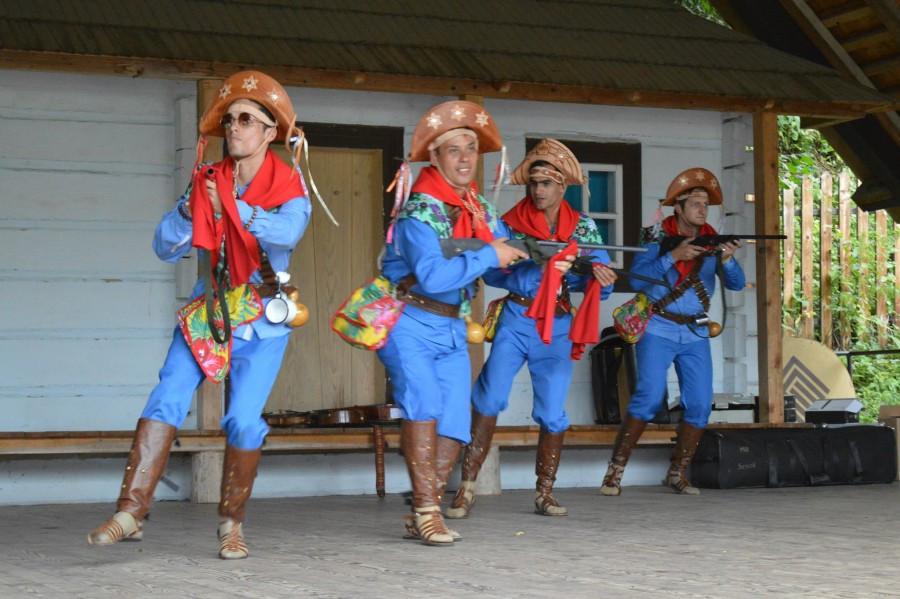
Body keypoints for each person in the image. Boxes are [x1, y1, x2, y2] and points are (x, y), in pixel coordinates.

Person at [87, 70, 312, 559]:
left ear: (271, 132)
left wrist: (232, 206)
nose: (234, 127)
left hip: (263, 316)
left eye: (247, 119)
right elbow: (164, 248)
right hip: (209, 307)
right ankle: (131, 512)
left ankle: (231, 522)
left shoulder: (291, 186)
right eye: (230, 119)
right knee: (168, 392)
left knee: (243, 421)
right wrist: (190, 213)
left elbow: (284, 236)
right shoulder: (206, 181)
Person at [376, 101, 528, 546]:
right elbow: (436, 275)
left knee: (457, 420)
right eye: (454, 149)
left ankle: (426, 508)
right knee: (422, 403)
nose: (465, 159)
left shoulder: (478, 208)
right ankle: (426, 511)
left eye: (472, 149)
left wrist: (546, 258)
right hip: (409, 321)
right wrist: (490, 253)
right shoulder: (417, 212)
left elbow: (500, 269)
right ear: (436, 157)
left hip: (451, 326)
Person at [445, 139, 617, 519]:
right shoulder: (509, 221)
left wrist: (592, 277)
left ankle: (545, 492)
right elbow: (490, 269)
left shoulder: (583, 227)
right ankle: (467, 488)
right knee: (488, 398)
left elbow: (602, 283)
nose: (538, 191)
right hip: (517, 318)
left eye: (546, 184)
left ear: (562, 186)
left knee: (553, 411)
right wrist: (527, 262)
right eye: (533, 184)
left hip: (557, 323)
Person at [600, 167, 745, 496]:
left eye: (705, 203)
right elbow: (636, 280)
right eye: (695, 202)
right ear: (677, 208)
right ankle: (616, 469)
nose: (702, 209)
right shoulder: (655, 238)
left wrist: (728, 260)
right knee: (648, 399)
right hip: (658, 326)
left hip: (695, 332)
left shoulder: (713, 240)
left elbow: (735, 284)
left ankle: (677, 472)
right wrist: (673, 257)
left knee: (700, 404)